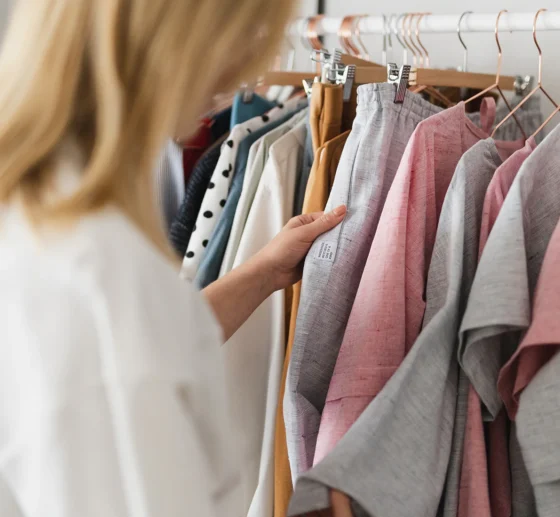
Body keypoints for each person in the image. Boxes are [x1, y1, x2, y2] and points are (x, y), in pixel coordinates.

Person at [0, 0, 347, 515]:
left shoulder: (42, 214)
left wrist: (263, 273)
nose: (246, 68)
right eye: (244, 34)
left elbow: (156, 340)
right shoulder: (103, 277)